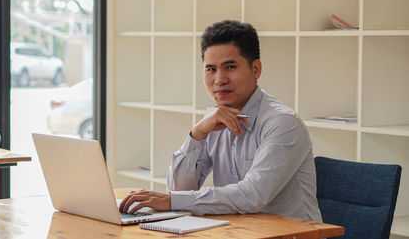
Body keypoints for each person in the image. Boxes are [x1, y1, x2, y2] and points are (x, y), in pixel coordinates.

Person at [119, 20, 322, 222]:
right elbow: (178, 190)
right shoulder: (214, 120)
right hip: (238, 232)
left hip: (290, 235)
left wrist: (172, 201)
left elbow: (252, 196)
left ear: (256, 69)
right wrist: (196, 134)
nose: (219, 80)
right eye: (211, 69)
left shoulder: (283, 123)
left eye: (230, 67)